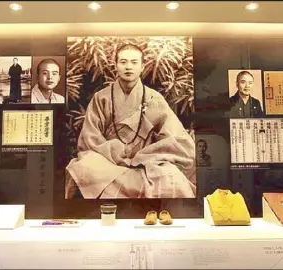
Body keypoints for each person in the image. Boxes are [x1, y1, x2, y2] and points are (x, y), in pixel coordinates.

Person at [65, 44, 196, 199]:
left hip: (144, 162)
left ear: (141, 67)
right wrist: (116, 152)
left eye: (134, 62)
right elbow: (90, 138)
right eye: (123, 62)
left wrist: (146, 155)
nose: (128, 67)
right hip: (108, 161)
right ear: (116, 66)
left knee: (171, 175)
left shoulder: (154, 99)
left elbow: (174, 137)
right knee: (84, 167)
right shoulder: (101, 97)